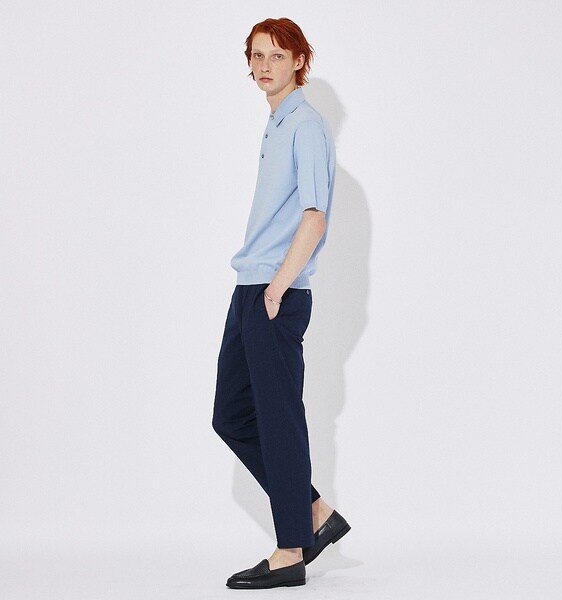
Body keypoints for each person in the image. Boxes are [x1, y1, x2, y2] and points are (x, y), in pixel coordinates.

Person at [212, 17, 350, 590]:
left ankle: (290, 550)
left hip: (275, 292)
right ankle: (314, 513)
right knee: (231, 415)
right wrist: (260, 287)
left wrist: (277, 287)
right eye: (256, 55)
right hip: (252, 288)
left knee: (278, 422)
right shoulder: (277, 123)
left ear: (299, 60)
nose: (264, 65)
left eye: (276, 54)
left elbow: (315, 217)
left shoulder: (306, 125)